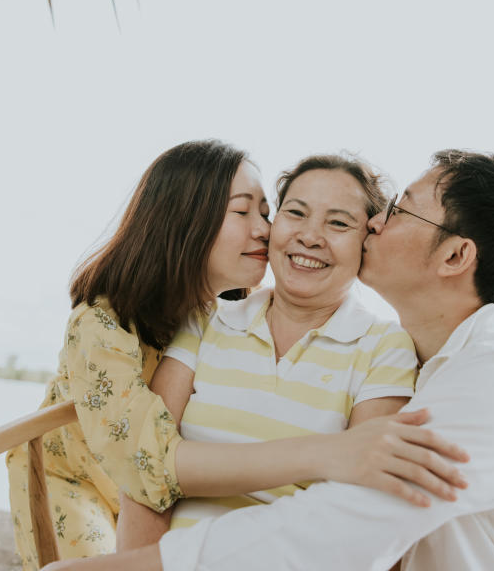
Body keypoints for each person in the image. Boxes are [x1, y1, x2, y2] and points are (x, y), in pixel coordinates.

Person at [48, 149, 494, 571]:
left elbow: (339, 531)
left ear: (456, 256)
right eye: (293, 212)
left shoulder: (491, 388)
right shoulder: (438, 362)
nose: (376, 226)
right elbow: (148, 474)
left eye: (396, 210)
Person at [116, 154, 425, 547]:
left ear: (367, 241)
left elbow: (359, 500)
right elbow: (144, 472)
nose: (311, 237)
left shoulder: (385, 346)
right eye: (295, 213)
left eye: (338, 223)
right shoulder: (207, 320)